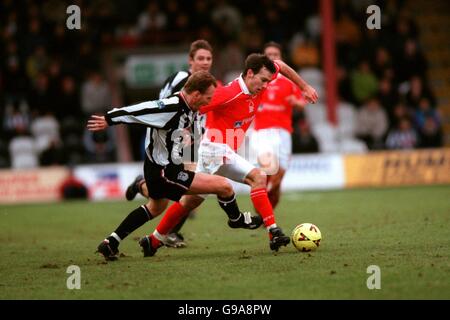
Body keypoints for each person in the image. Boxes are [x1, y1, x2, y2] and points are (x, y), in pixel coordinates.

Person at [136, 53, 318, 257]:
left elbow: (281, 66)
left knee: (190, 202)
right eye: (263, 80)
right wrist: (185, 131)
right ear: (250, 74)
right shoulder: (228, 93)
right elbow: (193, 106)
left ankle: (153, 240)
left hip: (218, 150)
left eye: (268, 80)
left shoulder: (260, 78)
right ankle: (273, 231)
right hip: (214, 149)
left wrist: (304, 87)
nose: (266, 85)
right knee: (257, 177)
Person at [88, 71, 262, 261]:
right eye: (208, 98)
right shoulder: (171, 106)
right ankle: (236, 219)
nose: (209, 102)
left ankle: (110, 242)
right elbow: (140, 110)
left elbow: (194, 131)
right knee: (224, 186)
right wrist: (109, 118)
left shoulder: (192, 107)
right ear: (196, 94)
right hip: (166, 172)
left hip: (158, 169)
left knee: (155, 208)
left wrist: (192, 139)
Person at [125, 39, 215, 248]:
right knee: (186, 188)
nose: (205, 62)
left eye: (208, 58)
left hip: (188, 139)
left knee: (182, 190)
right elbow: (167, 107)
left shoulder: (202, 82)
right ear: (190, 60)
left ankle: (142, 186)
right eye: (200, 58)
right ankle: (170, 232)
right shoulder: (183, 79)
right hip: (172, 140)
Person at [250, 41, 309, 209]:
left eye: (275, 55)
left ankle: (267, 209)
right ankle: (263, 209)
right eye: (269, 55)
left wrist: (295, 102)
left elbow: (302, 102)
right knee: (267, 169)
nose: (272, 58)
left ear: (281, 58)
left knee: (279, 178)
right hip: (262, 132)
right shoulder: (256, 80)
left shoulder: (289, 81)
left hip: (283, 132)